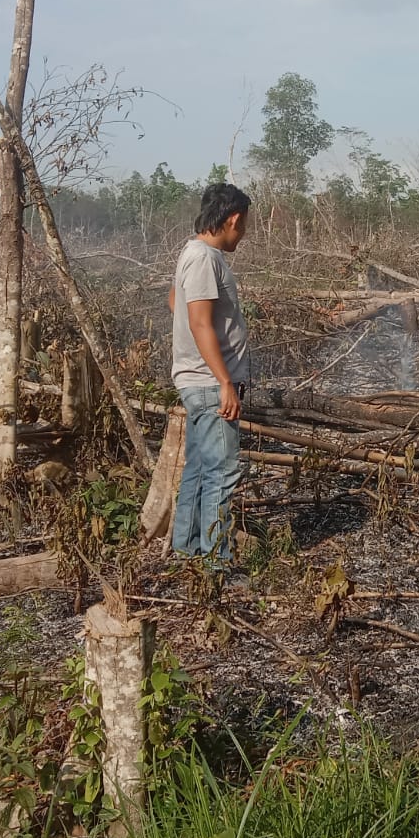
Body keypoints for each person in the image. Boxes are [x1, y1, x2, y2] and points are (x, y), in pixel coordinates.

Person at [170, 182, 253, 570]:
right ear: (233, 219)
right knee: (221, 471)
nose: (244, 233)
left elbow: (176, 302)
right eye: (244, 225)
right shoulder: (205, 258)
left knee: (200, 468)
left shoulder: (191, 253)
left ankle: (187, 551)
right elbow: (200, 322)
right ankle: (216, 564)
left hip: (198, 380)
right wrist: (224, 382)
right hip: (207, 383)